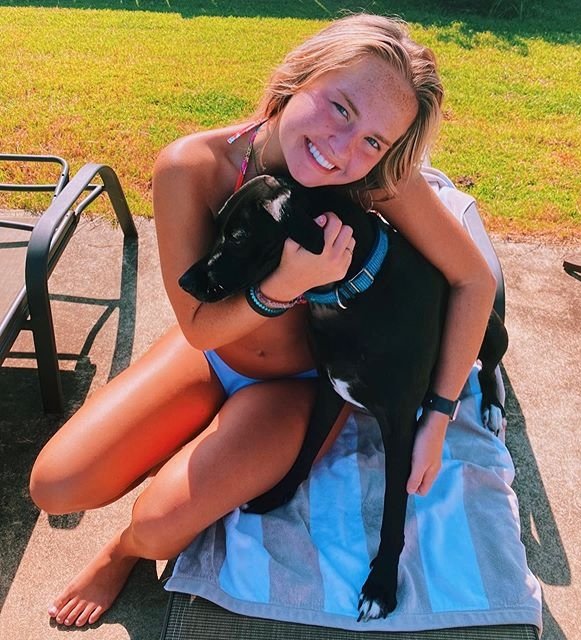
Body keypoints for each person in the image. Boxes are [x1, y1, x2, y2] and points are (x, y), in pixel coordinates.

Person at [29, 13, 496, 628]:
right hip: (211, 351)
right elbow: (198, 327)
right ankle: (181, 446)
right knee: (56, 486)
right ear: (298, 77)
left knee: (158, 525)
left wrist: (437, 415)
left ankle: (123, 551)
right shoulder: (192, 166)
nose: (342, 149)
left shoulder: (377, 182)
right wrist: (284, 286)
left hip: (303, 385)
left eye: (374, 141)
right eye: (340, 108)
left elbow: (474, 281)